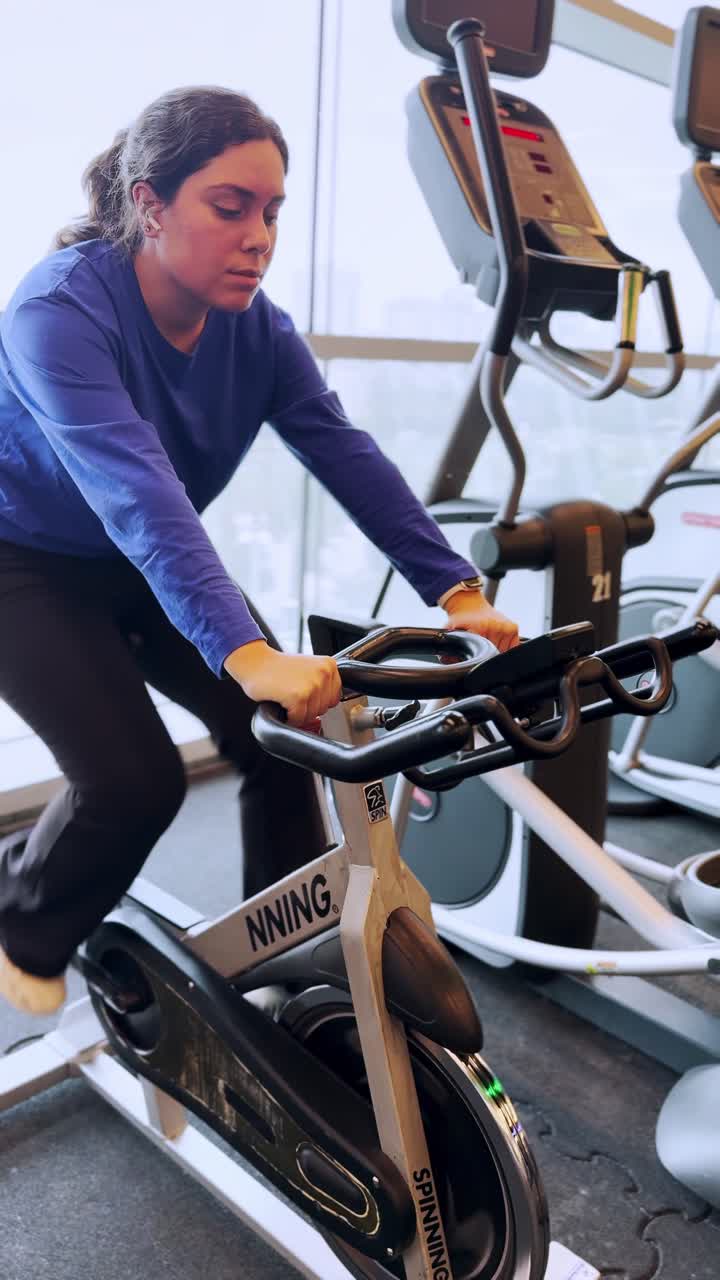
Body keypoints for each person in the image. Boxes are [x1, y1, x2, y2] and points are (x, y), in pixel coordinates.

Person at [0, 86, 518, 1018]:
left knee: (286, 736)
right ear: (149, 203)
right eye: (229, 206)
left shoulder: (260, 329)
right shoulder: (58, 313)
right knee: (133, 781)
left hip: (135, 559)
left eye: (272, 211)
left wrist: (457, 591)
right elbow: (137, 487)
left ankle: (282, 947)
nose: (259, 236)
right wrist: (248, 656)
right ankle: (22, 914)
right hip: (21, 561)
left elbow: (343, 451)